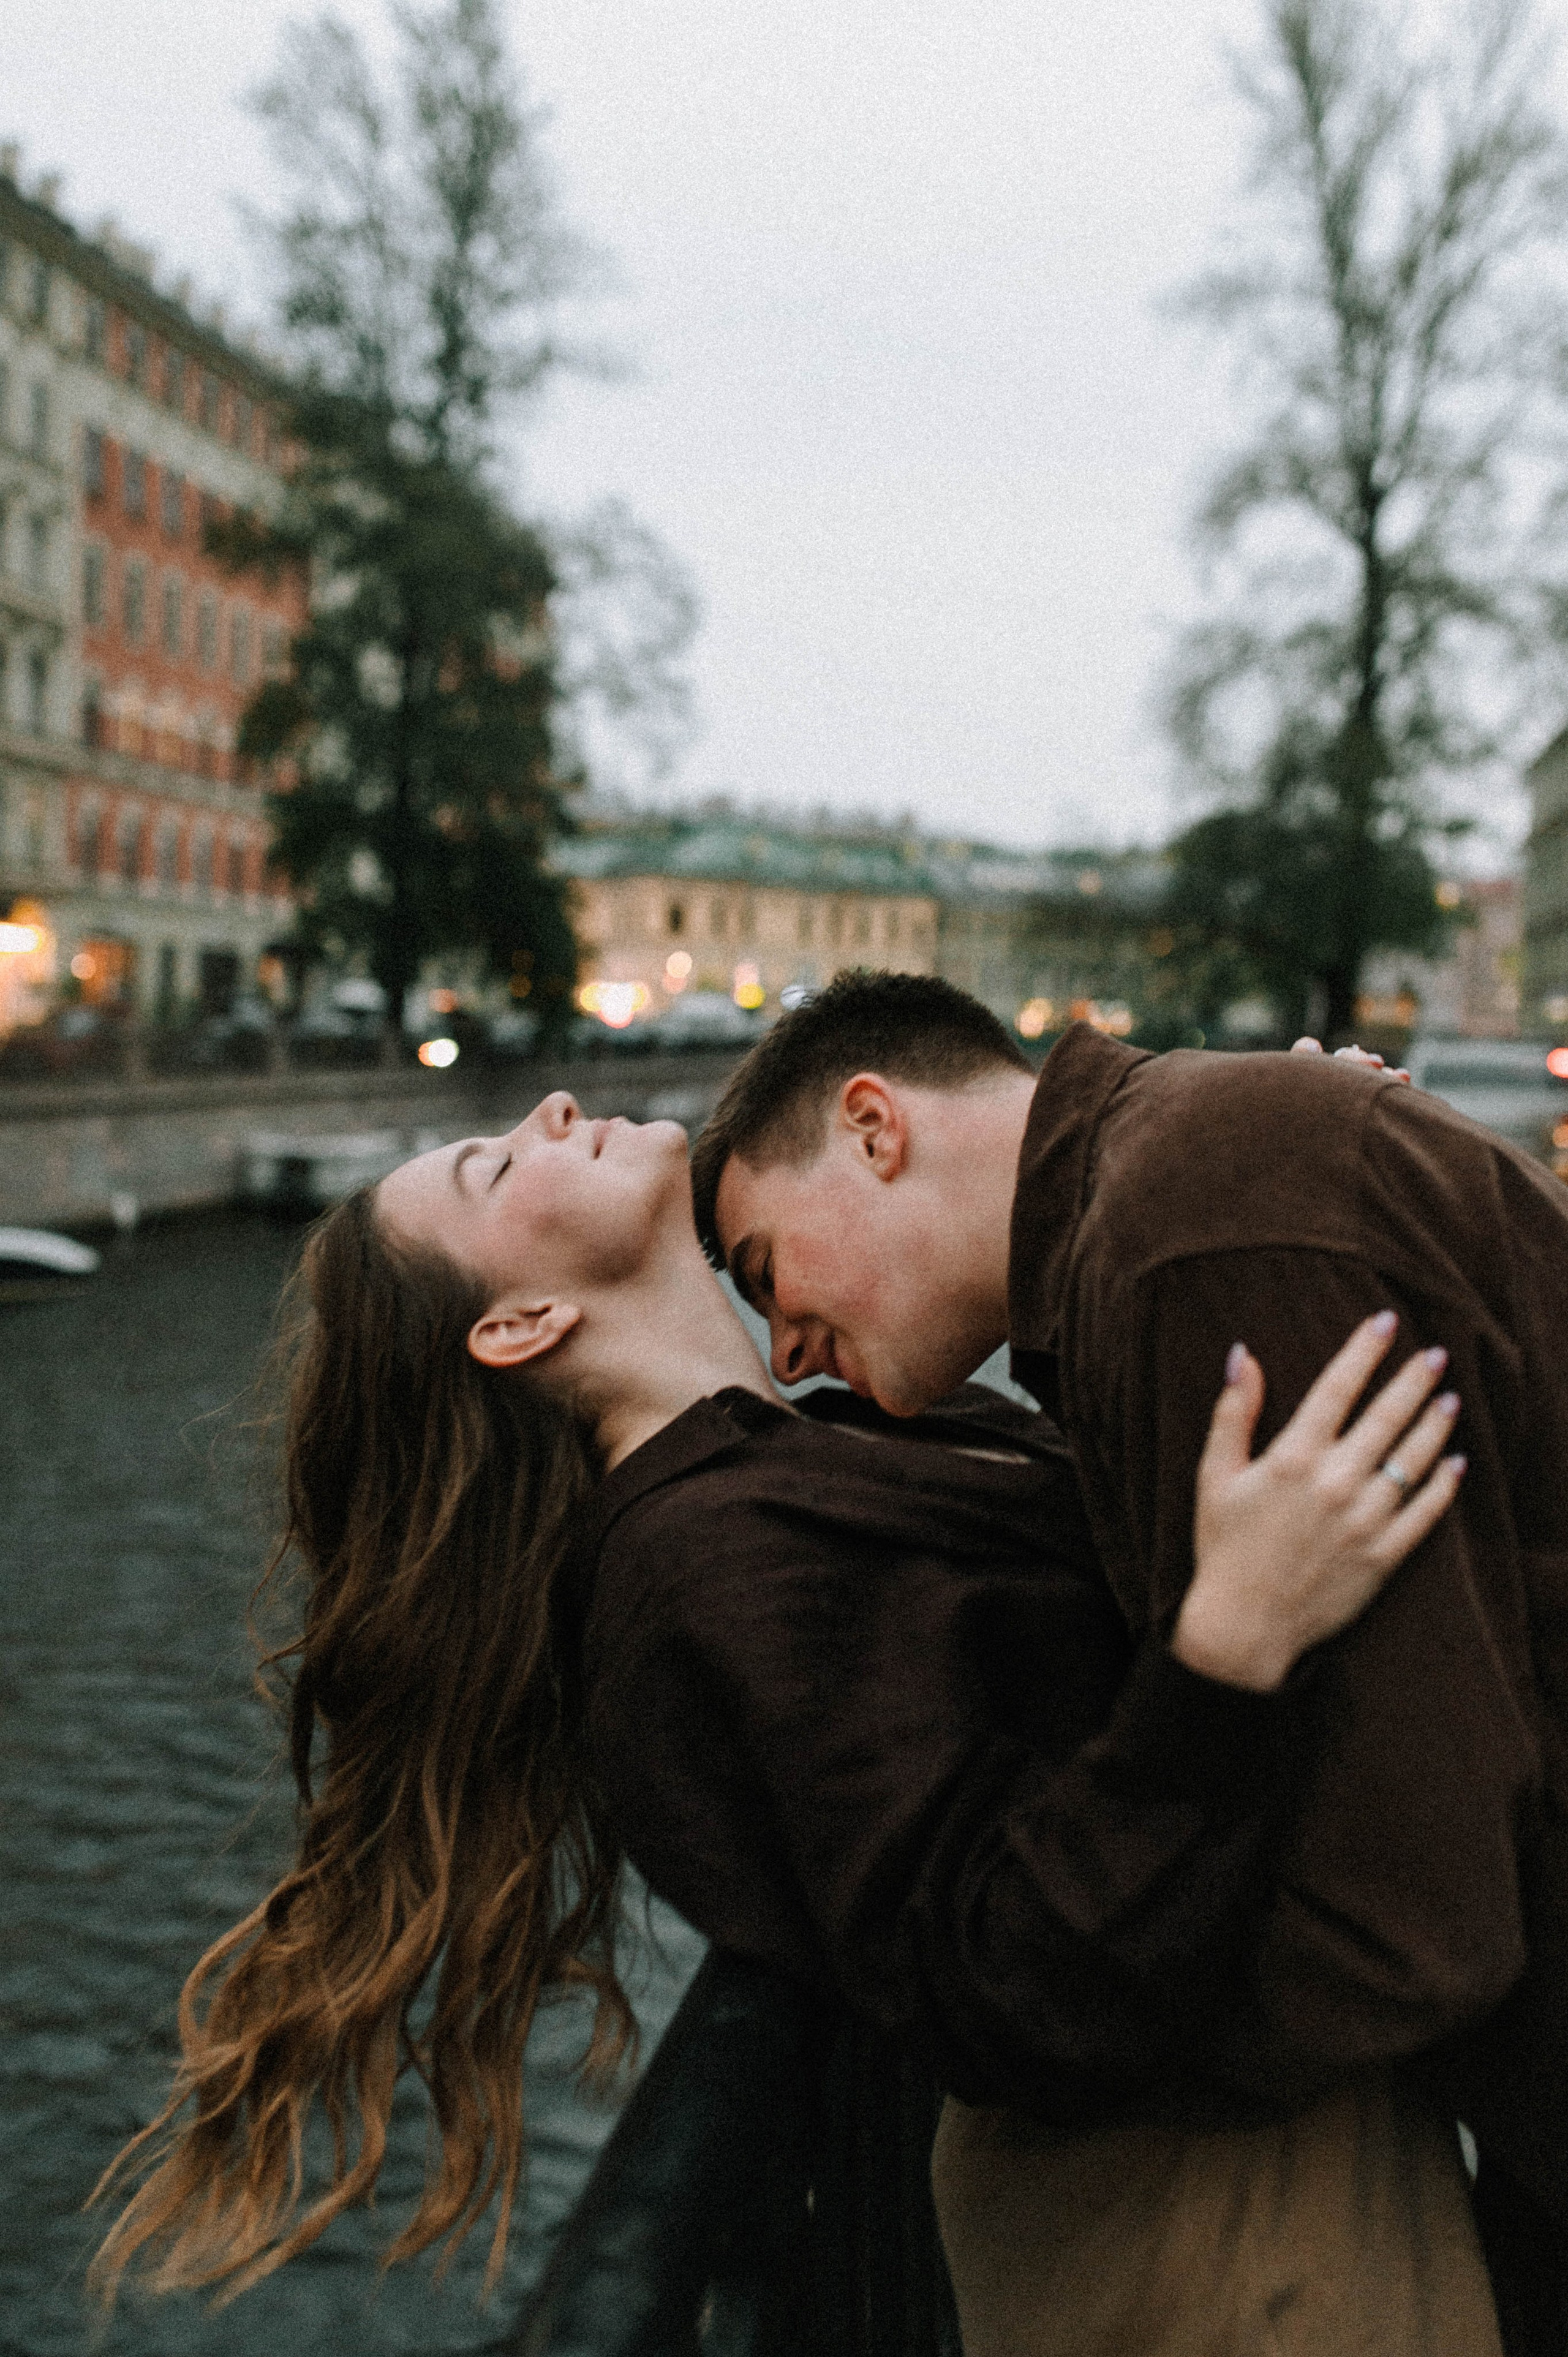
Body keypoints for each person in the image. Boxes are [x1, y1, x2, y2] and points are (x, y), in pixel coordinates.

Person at [88, 1088, 1483, 2354]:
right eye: (496, 1163)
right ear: (517, 1326)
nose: (553, 1106)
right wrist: (1227, 1645)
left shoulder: (797, 1450)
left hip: (1283, 2118)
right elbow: (1000, 1981)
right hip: (1199, 2211)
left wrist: (1278, 1183)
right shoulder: (695, 1569)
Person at [693, 967, 1568, 2354]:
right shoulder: (1171, 1191)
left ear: (872, 1125)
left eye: (763, 1270)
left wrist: (1071, 2065)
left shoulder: (1184, 1237)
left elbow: (1411, 1911)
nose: (787, 1352)